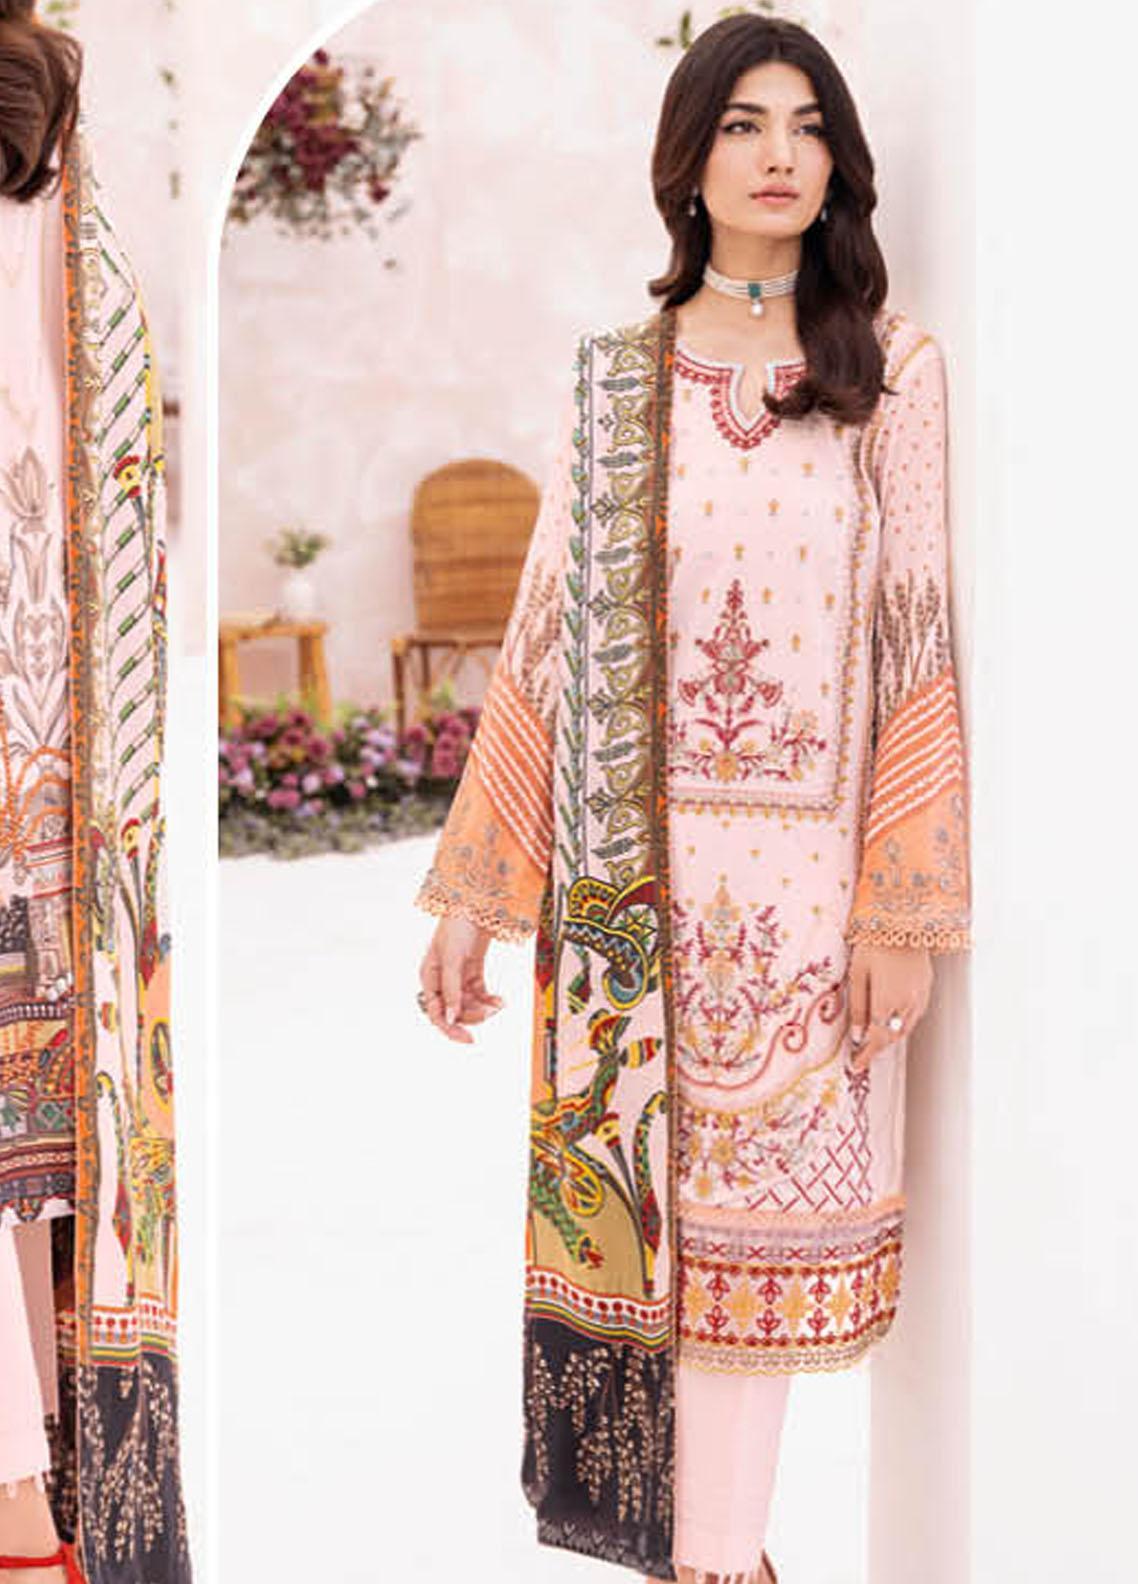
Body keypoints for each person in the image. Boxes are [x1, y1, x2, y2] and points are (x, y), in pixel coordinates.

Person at [416, 13, 971, 1583]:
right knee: (649, 1250)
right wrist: (474, 895)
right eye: (741, 123)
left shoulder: (890, 373)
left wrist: (900, 908)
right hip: (631, 891)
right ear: (687, 158)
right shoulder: (620, 380)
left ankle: (723, 1558)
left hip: (805, 907)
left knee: (747, 1271)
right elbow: (543, 637)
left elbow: (915, 640)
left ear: (838, 161)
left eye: (806, 124)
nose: (778, 154)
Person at [0, 6, 191, 1583]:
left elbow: (92, 420)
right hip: (41, 698)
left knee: (37, 1139)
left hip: (33, 693)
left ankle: (35, 1508)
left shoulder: (46, 114)